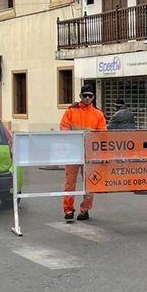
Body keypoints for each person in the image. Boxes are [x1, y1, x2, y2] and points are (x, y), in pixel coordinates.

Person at [59, 86, 107, 221]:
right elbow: (64, 128)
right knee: (70, 183)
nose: (87, 98)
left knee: (90, 183)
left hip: (90, 154)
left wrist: (102, 156)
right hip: (73, 152)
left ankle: (85, 210)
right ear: (80, 96)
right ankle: (68, 209)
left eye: (90, 96)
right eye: (85, 95)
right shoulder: (71, 111)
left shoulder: (98, 114)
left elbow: (103, 135)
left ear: (93, 97)